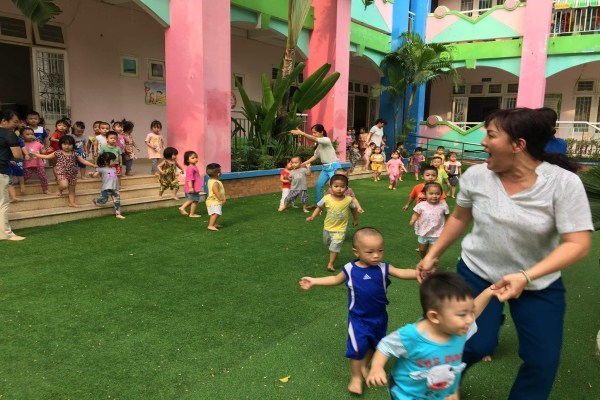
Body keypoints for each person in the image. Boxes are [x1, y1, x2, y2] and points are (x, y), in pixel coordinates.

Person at [417, 108, 593, 400]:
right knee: (475, 343)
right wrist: (433, 253)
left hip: (537, 283)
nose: (483, 142)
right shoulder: (477, 176)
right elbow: (460, 217)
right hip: (478, 273)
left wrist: (526, 276)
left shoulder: (563, 183)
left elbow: (578, 243)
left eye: (491, 135)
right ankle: (446, 377)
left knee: (542, 361)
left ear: (518, 145)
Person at [299, 227, 417, 395]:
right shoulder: (349, 269)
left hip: (379, 317)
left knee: (375, 345)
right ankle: (355, 377)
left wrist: (419, 273)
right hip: (358, 319)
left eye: (380, 251)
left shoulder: (383, 268)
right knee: (357, 349)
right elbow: (334, 279)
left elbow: (402, 272)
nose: (376, 255)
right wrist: (314, 281)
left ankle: (363, 366)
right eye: (370, 252)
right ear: (356, 251)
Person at [366, 272, 495, 400]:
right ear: (434, 316)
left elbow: (475, 311)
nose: (469, 319)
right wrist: (376, 368)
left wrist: (490, 291)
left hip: (439, 393)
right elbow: (386, 346)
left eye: (470, 312)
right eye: (462, 314)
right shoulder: (413, 335)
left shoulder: (460, 329)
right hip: (407, 394)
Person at [306, 174, 358, 272]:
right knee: (328, 243)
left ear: (346, 188)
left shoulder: (348, 199)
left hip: (340, 229)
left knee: (335, 246)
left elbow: (353, 209)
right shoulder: (326, 198)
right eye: (336, 186)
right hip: (328, 227)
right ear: (331, 187)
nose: (339, 189)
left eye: (342, 186)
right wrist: (312, 217)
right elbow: (319, 207)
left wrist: (355, 219)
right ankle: (335, 251)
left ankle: (330, 264)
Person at [31, 134, 97, 208]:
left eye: (69, 144)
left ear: (73, 145)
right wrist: (37, 155)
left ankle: (71, 203)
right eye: (65, 144)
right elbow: (47, 157)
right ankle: (59, 190)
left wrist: (93, 165)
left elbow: (83, 161)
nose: (67, 146)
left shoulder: (75, 153)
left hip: (72, 174)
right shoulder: (58, 152)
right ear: (61, 144)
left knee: (72, 190)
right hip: (61, 172)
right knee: (64, 185)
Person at [290, 125, 341, 206]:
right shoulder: (319, 146)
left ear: (321, 132)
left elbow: (314, 139)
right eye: (312, 133)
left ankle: (341, 203)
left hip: (334, 167)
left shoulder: (326, 140)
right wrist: (303, 164)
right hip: (325, 168)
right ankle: (318, 205)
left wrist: (302, 133)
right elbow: (315, 156)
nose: (313, 134)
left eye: (315, 132)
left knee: (337, 186)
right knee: (318, 185)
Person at [0, 110, 25, 241]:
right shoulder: (10, 135)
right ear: (4, 121)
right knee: (2, 203)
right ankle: (6, 234)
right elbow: (18, 155)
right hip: (1, 171)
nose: (16, 125)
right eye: (15, 122)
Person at [410, 182, 449, 259]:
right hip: (423, 232)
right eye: (431, 194)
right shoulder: (421, 205)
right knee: (422, 250)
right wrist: (413, 219)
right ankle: (423, 259)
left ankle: (430, 262)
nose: (434, 196)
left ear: (441, 194)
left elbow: (447, 216)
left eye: (437, 194)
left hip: (437, 233)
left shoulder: (443, 206)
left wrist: (449, 226)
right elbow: (416, 214)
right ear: (425, 194)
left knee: (432, 252)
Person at [89, 152, 125, 219]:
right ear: (106, 161)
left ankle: (118, 214)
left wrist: (118, 186)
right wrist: (91, 175)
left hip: (114, 188)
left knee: (117, 201)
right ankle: (95, 200)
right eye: (113, 160)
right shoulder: (101, 169)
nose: (115, 162)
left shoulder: (113, 169)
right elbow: (95, 175)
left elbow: (113, 178)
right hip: (106, 188)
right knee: (103, 201)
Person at [21, 127, 52, 194]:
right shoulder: (22, 144)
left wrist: (46, 150)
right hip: (27, 164)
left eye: (32, 134)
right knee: (26, 176)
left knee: (43, 176)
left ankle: (45, 190)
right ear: (22, 136)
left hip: (39, 164)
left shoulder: (38, 143)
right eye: (27, 134)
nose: (30, 136)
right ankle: (20, 182)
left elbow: (42, 152)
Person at [179, 150, 202, 218]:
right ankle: (183, 207)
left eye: (196, 157)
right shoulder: (190, 168)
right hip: (192, 188)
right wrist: (190, 187)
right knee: (193, 200)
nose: (195, 159)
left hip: (195, 188)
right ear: (187, 160)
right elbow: (189, 179)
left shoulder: (194, 166)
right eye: (193, 158)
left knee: (194, 201)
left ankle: (191, 214)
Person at [205, 163, 225, 231]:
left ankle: (214, 224)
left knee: (217, 213)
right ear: (218, 174)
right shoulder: (215, 183)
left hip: (212, 201)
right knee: (215, 213)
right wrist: (221, 199)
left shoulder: (210, 180)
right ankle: (210, 225)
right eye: (220, 171)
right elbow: (216, 192)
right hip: (214, 201)